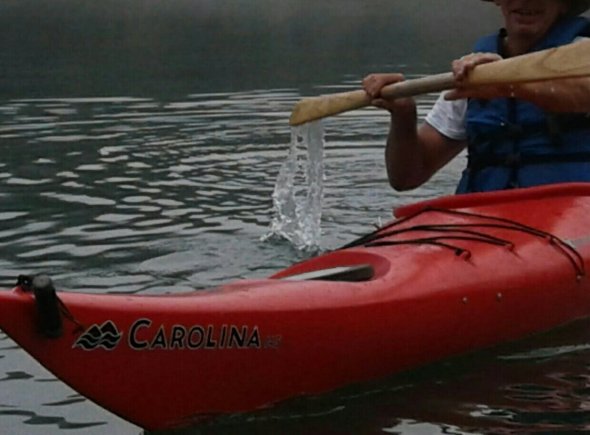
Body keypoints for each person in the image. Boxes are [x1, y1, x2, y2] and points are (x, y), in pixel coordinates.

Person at [363, 0, 590, 194]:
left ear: (564, 4)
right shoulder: (473, 70)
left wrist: (508, 83)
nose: (525, 1)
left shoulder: (584, 54)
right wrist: (403, 115)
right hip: (487, 217)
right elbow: (406, 178)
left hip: (574, 214)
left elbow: (582, 94)